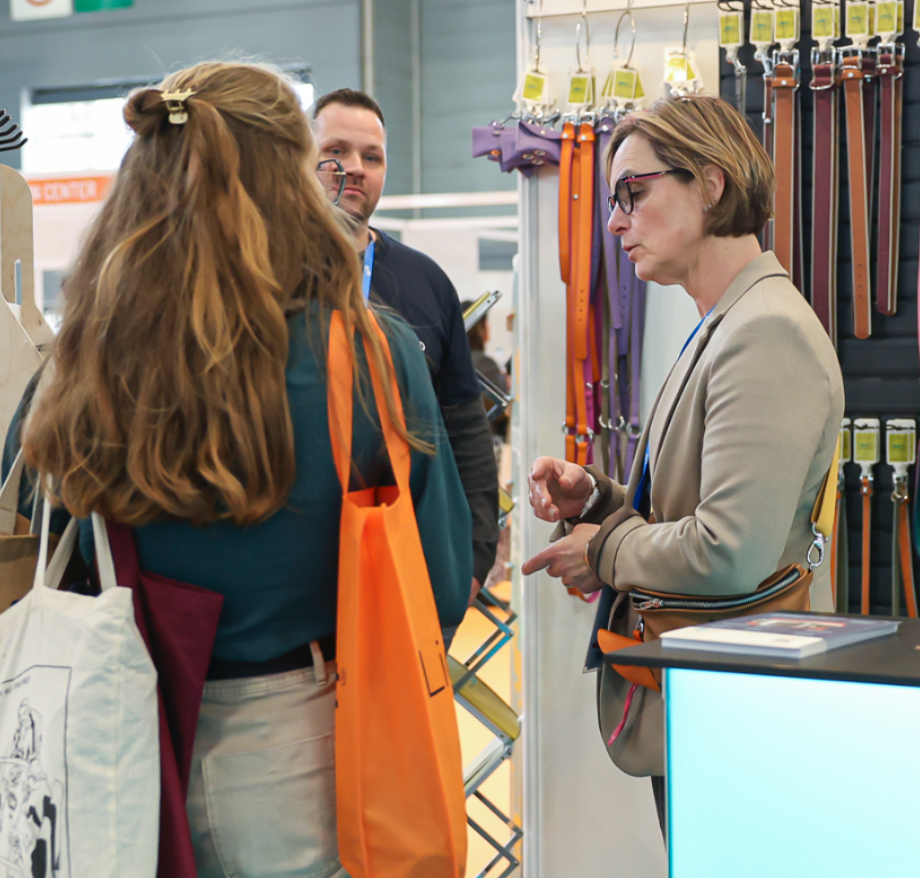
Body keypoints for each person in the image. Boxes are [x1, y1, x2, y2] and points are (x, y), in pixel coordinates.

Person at [3, 61, 472, 878]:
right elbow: (437, 581)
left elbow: (25, 541)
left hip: (101, 732)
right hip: (296, 737)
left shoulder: (80, 361)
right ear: (294, 182)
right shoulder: (367, 355)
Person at [519, 95, 843, 835]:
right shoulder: (728, 323)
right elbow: (696, 509)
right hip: (717, 696)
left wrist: (600, 549)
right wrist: (597, 499)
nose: (614, 221)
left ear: (710, 183)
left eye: (631, 192)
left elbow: (729, 549)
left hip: (739, 712)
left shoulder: (763, 333)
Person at [313, 90, 499, 606]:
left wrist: (475, 557)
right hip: (306, 569)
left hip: (411, 562)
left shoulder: (426, 282)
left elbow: (466, 428)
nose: (354, 168)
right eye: (336, 151)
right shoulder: (268, 276)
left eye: (371, 157)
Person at [461, 299, 510, 442]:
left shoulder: (459, 362)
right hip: (485, 440)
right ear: (480, 328)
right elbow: (505, 411)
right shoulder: (482, 363)